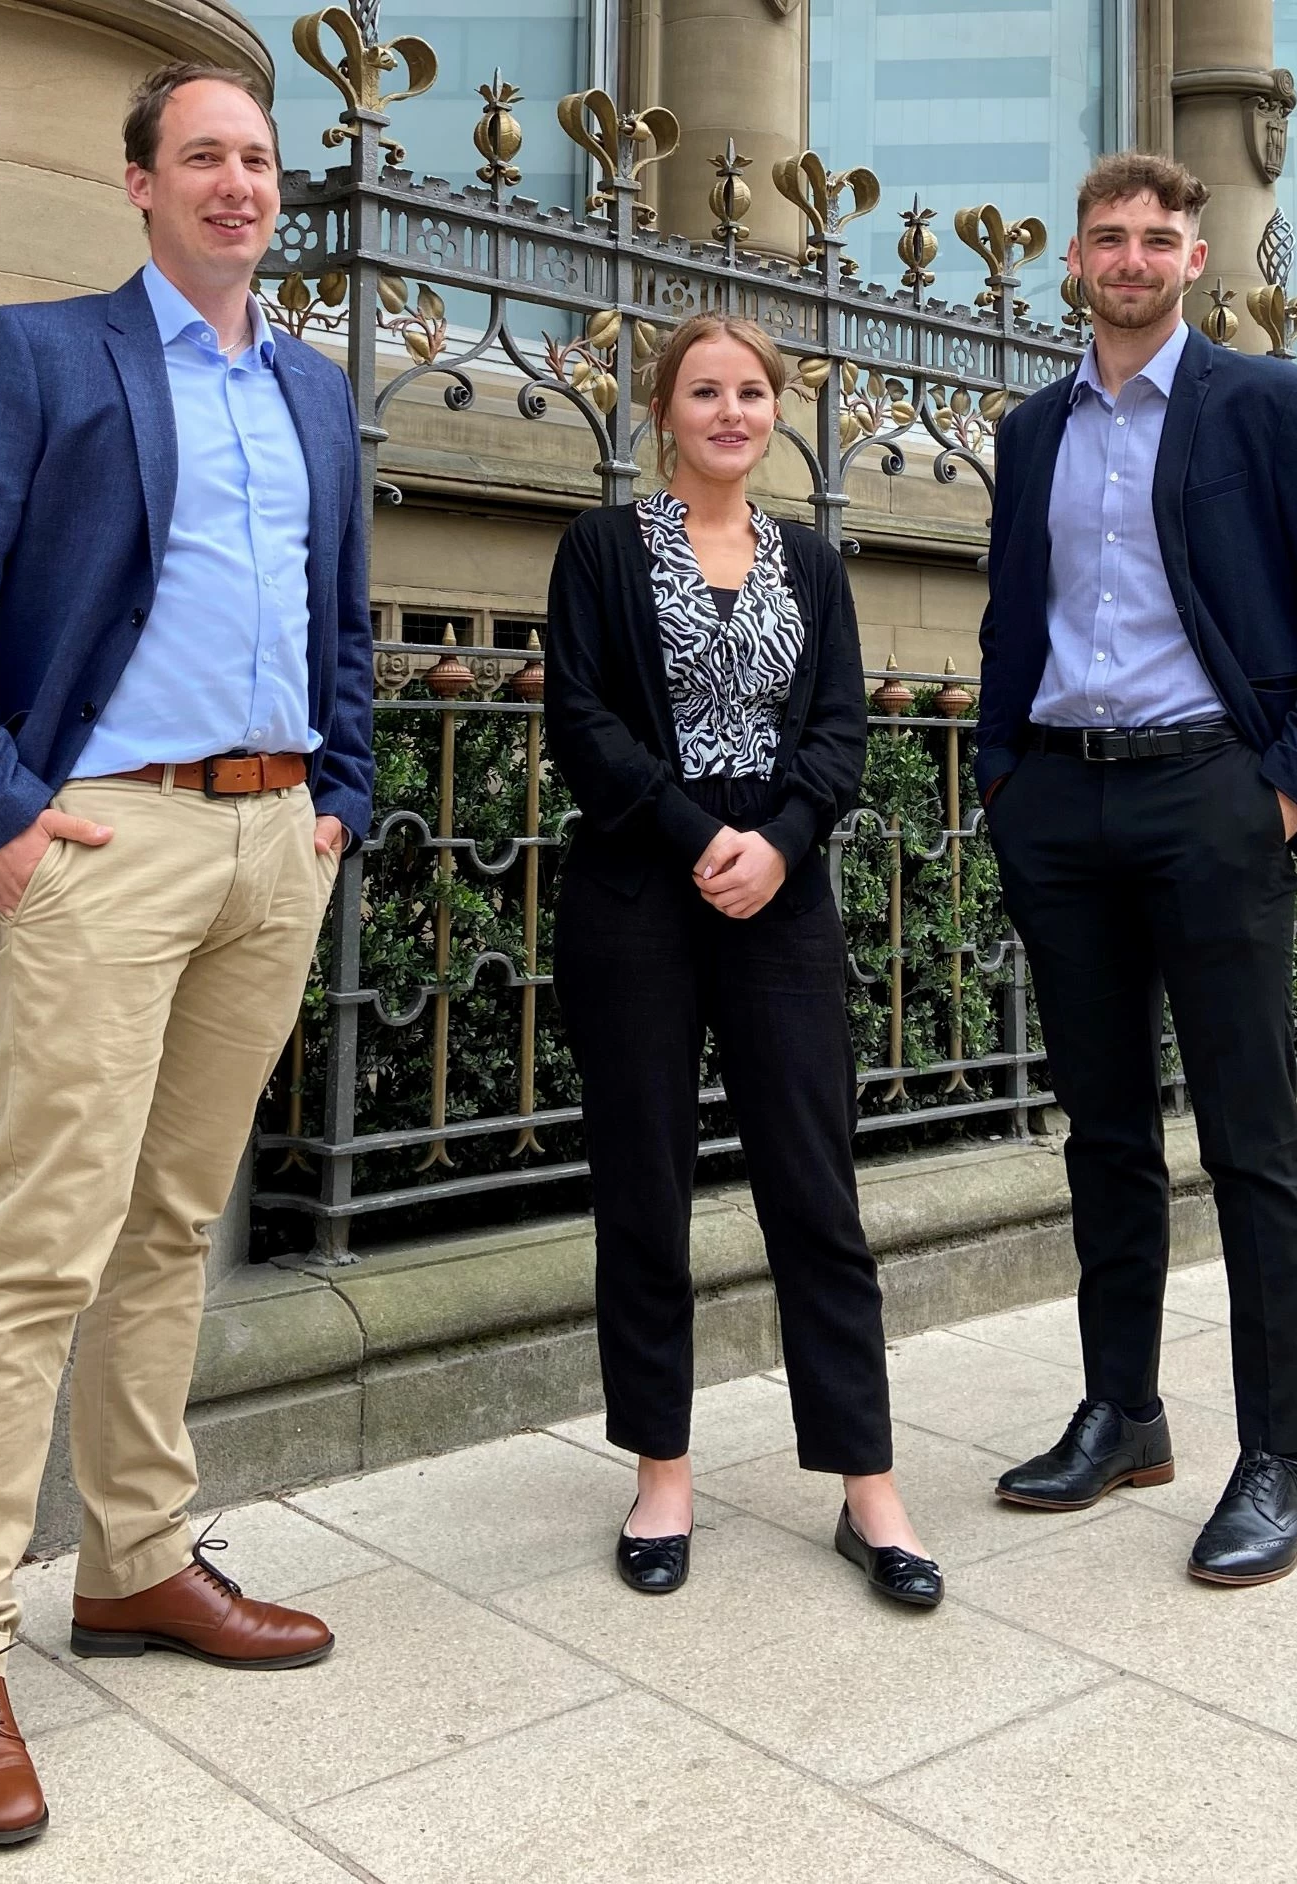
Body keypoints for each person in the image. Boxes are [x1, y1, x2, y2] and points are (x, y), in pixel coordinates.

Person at [0, 62, 373, 1844]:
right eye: (204, 157)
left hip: (271, 843)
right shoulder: (41, 355)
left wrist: (338, 797)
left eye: (258, 159)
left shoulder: (313, 389)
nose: (239, 184)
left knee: (172, 1226)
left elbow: (341, 619)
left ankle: (137, 1560)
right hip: (104, 839)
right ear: (140, 184)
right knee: (43, 1248)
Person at [973, 154, 1297, 1586]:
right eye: (1109, 237)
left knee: (1247, 1139)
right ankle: (1124, 1415)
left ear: (1195, 260)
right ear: (1074, 258)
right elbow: (1012, 617)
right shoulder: (1033, 429)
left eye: (1158, 239)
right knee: (1102, 1132)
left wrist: (1281, 791)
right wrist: (1004, 780)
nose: (1132, 259)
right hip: (1062, 802)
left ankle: (1277, 1456)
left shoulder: (1264, 402)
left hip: (1211, 798)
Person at [544, 313, 941, 1609]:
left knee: (816, 1191)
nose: (730, 411)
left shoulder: (811, 563)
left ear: (775, 413)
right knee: (644, 1189)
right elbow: (582, 719)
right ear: (665, 409)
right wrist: (694, 833)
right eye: (705, 390)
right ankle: (661, 1474)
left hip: (782, 897)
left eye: (752, 392)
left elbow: (840, 732)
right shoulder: (601, 550)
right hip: (636, 895)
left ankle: (869, 1487)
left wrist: (776, 843)